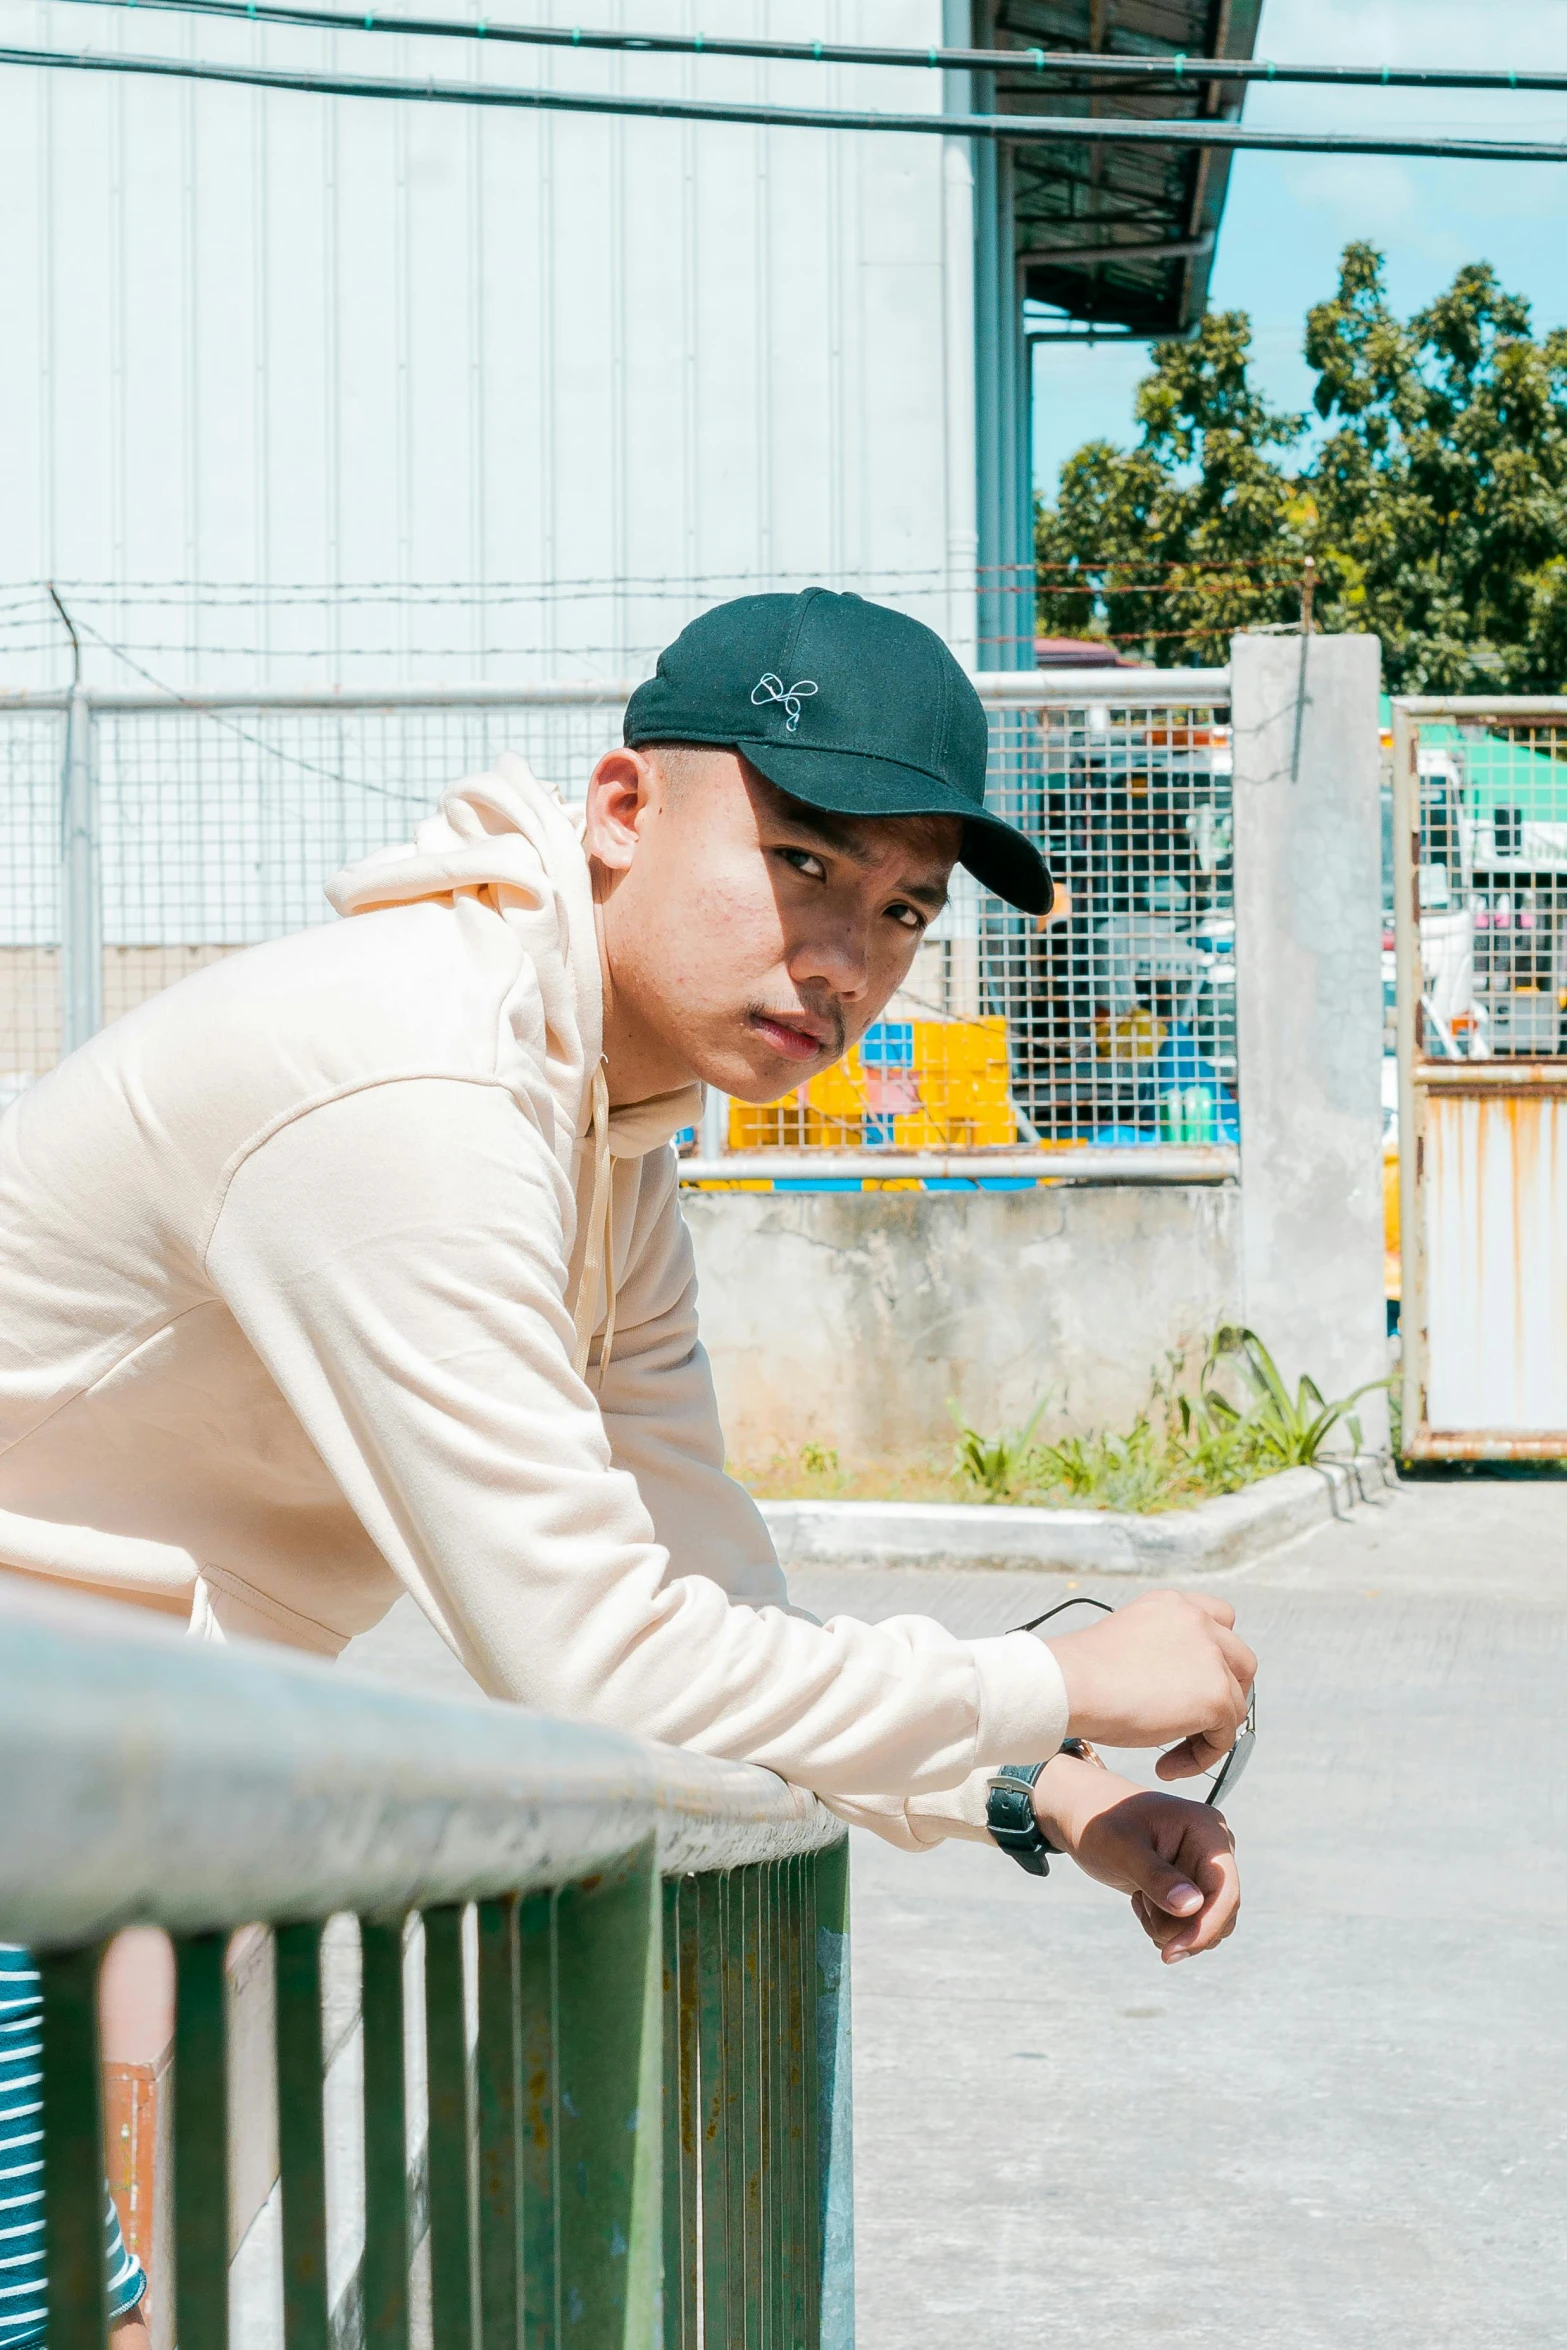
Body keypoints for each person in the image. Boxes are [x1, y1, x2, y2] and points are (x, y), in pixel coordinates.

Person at [0, 590, 1252, 1959]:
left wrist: (1040, 1780)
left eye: (902, 909)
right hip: (55, 1784)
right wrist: (1058, 1675)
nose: (845, 961)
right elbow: (594, 1660)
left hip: (115, 1779)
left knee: (136, 2182)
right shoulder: (418, 1080)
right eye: (801, 864)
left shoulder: (606, 1128)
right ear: (617, 810)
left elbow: (704, 1607)